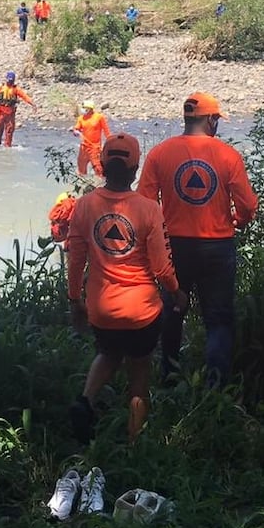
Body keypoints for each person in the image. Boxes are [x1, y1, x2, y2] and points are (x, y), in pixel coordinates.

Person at [66, 133, 186, 444]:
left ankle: (85, 402)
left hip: (102, 309)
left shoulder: (84, 206)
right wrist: (176, 292)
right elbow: (161, 267)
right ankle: (134, 442)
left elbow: (75, 258)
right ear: (135, 169)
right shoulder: (149, 209)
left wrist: (74, 299)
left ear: (102, 165)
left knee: (108, 353)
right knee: (139, 372)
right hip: (141, 312)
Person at [138, 92, 258, 387]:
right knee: (218, 319)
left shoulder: (160, 154)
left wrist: (156, 240)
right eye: (217, 118)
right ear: (210, 119)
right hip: (217, 247)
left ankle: (169, 377)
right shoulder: (228, 155)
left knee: (173, 311)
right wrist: (236, 222)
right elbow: (248, 206)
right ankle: (215, 386)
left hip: (174, 247)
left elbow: (144, 204)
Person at [0, 71, 36, 147]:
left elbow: (24, 96)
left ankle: (8, 145)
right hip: (0, 112)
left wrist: (32, 104)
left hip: (10, 113)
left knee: (9, 130)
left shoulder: (16, 89)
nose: (10, 82)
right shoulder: (0, 88)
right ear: (6, 79)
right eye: (9, 80)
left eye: (11, 80)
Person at [71, 101, 110, 177]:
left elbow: (106, 131)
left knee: (98, 169)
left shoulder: (99, 117)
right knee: (81, 169)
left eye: (85, 108)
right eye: (83, 108)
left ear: (90, 108)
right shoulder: (81, 118)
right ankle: (82, 185)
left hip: (95, 148)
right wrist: (75, 132)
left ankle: (99, 185)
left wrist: (111, 142)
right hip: (84, 147)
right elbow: (76, 128)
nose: (83, 109)